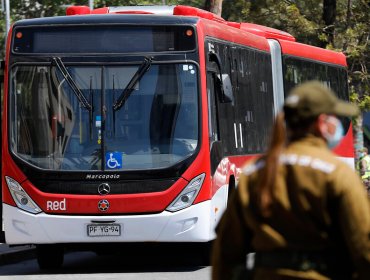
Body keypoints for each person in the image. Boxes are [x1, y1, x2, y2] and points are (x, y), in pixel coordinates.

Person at [212, 81, 370, 280]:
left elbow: (225, 251)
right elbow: (364, 249)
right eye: (334, 118)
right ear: (322, 124)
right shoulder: (338, 174)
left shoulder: (255, 172)